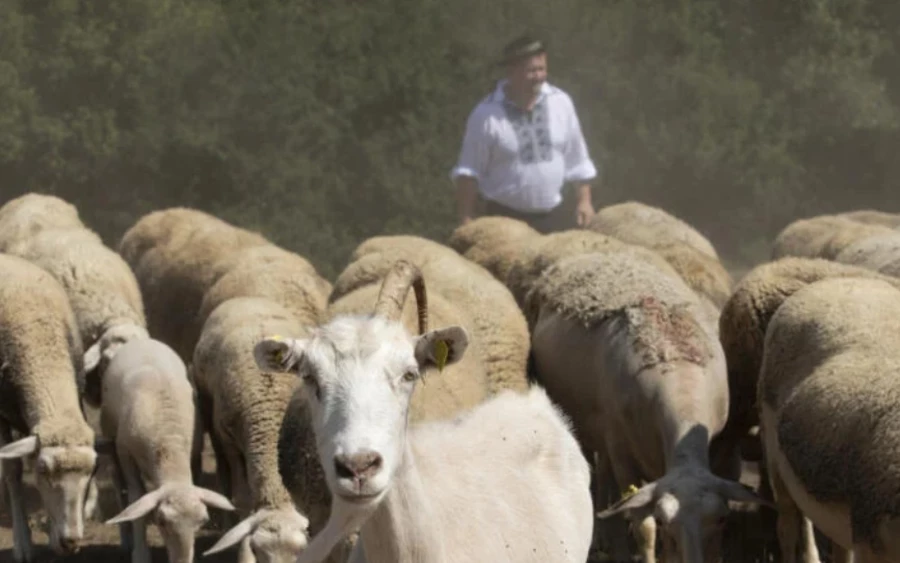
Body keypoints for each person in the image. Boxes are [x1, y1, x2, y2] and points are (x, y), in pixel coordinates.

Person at [450, 34, 598, 233]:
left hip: (553, 218)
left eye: (541, 69)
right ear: (511, 72)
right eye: (531, 71)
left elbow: (577, 158)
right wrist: (466, 220)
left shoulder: (561, 102)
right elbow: (468, 173)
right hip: (503, 221)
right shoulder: (486, 114)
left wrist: (584, 202)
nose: (538, 76)